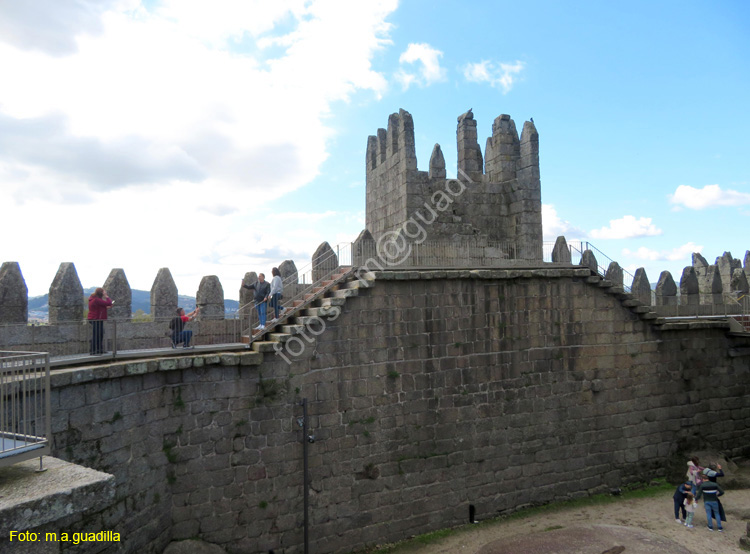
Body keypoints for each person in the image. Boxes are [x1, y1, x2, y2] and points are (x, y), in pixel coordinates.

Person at [87, 287, 113, 355]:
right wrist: (107, 296)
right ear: (101, 293)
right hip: (96, 319)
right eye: (104, 292)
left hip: (97, 318)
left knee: (100, 334)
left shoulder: (94, 299)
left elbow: (100, 307)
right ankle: (93, 350)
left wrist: (106, 307)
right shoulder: (96, 300)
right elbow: (109, 303)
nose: (105, 293)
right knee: (96, 335)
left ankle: (99, 349)